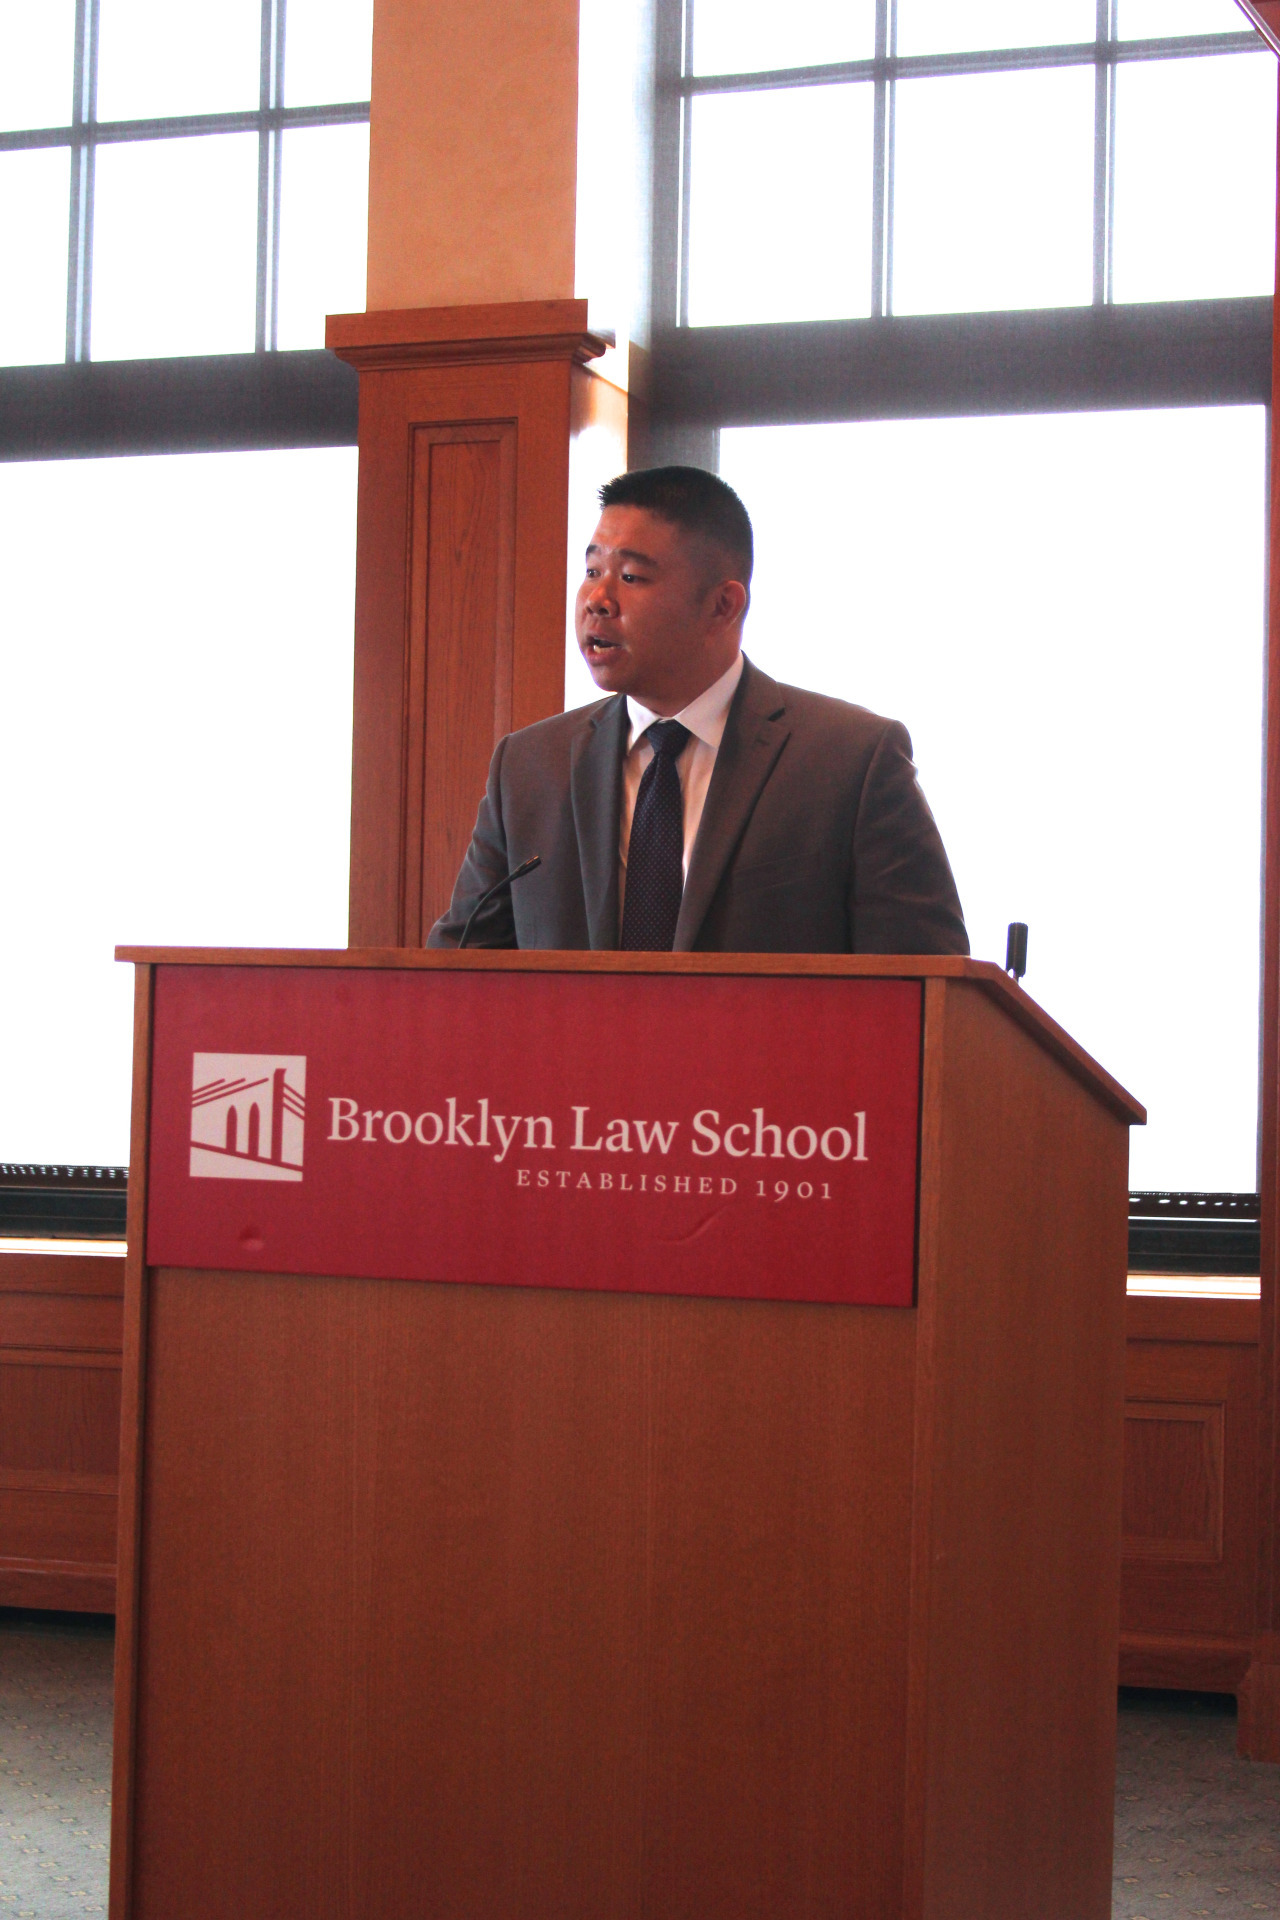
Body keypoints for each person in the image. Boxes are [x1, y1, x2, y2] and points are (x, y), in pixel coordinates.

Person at [428, 465, 968, 954]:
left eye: (631, 577)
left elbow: (926, 983)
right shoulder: (528, 767)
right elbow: (455, 974)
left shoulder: (851, 762)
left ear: (722, 605)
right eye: (592, 571)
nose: (597, 599)